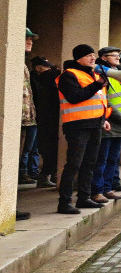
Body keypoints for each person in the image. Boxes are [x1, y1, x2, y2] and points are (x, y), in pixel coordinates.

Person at [55, 44, 112, 214]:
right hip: (77, 126)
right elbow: (74, 97)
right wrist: (97, 84)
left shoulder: (93, 75)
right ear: (78, 58)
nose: (93, 58)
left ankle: (84, 198)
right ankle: (64, 203)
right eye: (89, 55)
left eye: (94, 55)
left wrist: (104, 119)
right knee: (74, 164)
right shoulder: (68, 75)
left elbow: (99, 101)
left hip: (95, 124)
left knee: (89, 163)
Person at [92, 46, 121, 204]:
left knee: (113, 158)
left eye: (119, 55)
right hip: (109, 122)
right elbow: (105, 100)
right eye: (114, 55)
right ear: (103, 58)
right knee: (102, 159)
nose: (118, 57)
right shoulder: (101, 74)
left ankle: (108, 188)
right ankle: (97, 190)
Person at [29, 56, 60, 189]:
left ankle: (50, 174)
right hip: (44, 119)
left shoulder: (43, 80)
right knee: (43, 148)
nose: (49, 70)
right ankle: (45, 175)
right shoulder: (42, 80)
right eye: (47, 67)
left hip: (44, 118)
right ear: (38, 69)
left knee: (44, 148)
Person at [19, 30, 38, 203]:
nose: (30, 41)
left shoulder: (23, 63)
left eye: (31, 39)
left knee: (25, 150)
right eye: (27, 38)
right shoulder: (13, 61)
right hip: (17, 118)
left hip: (27, 117)